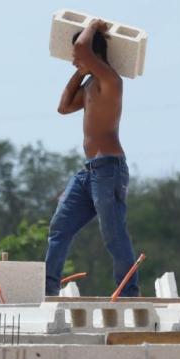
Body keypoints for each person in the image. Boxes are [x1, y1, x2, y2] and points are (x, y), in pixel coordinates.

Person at [44, 18, 139, 297]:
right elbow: (63, 107)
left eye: (77, 54)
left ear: (92, 54)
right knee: (59, 226)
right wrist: (80, 72)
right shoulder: (88, 86)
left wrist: (94, 26)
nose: (74, 58)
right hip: (88, 172)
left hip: (109, 168)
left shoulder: (111, 80)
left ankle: (128, 293)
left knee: (113, 233)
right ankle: (48, 289)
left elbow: (84, 49)